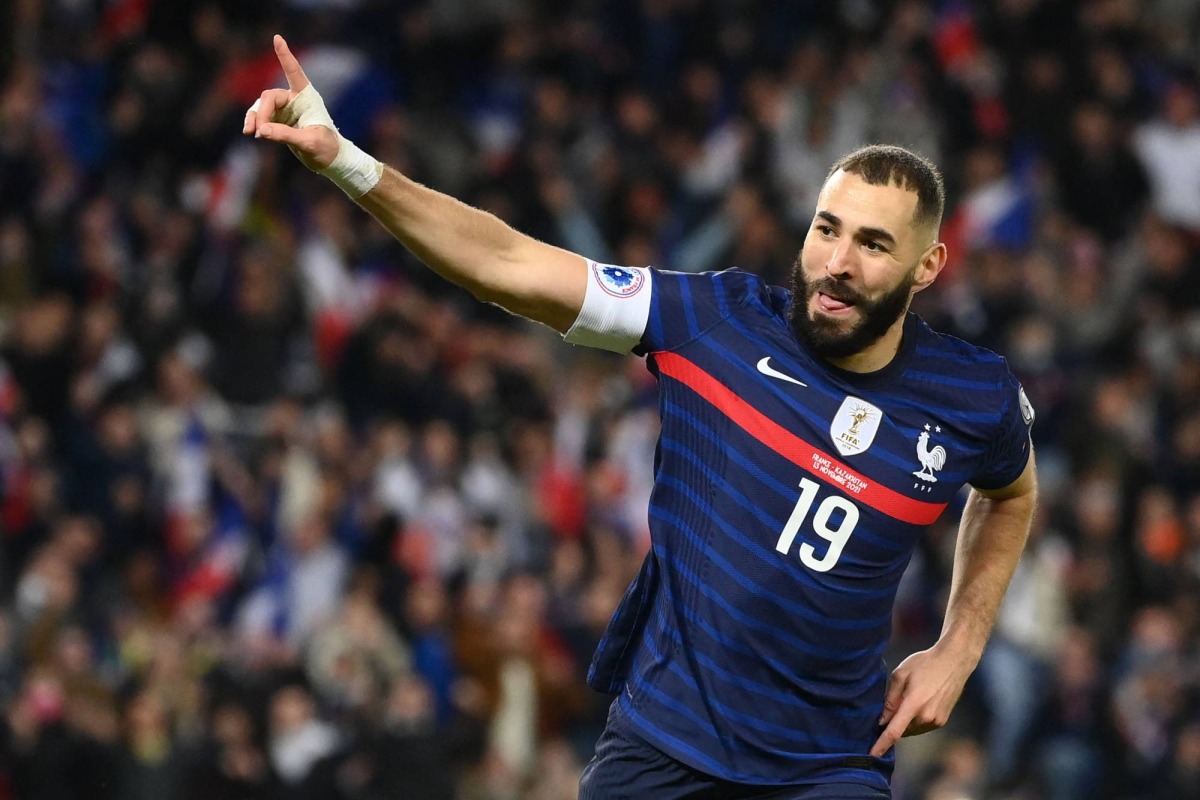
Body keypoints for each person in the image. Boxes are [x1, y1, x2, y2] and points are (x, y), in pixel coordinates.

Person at [243, 35, 1038, 800]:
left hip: (827, 766)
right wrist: (346, 163)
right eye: (826, 230)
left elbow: (1011, 493)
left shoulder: (972, 395)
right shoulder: (714, 323)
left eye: (872, 244)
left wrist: (959, 646)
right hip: (665, 748)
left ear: (927, 266)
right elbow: (507, 263)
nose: (836, 262)